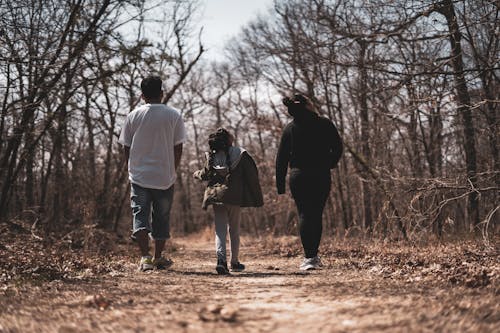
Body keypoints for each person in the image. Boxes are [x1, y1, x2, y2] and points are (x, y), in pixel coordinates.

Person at [119, 76, 186, 272]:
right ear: (162, 93)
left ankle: (144, 258)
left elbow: (126, 147)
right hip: (164, 176)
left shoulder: (133, 116)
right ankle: (158, 257)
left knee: (139, 215)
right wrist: (173, 169)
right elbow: (178, 147)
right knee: (161, 217)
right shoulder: (174, 115)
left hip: (139, 176)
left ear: (142, 95)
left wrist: (129, 168)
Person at [276, 94, 342, 271]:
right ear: (307, 106)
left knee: (305, 214)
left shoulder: (290, 128)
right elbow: (338, 147)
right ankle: (313, 257)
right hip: (320, 174)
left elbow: (281, 158)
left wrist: (280, 184)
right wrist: (329, 163)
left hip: (298, 176)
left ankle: (309, 258)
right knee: (316, 214)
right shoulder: (324, 123)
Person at [194, 128, 263, 275]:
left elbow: (205, 174)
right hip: (234, 197)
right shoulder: (241, 154)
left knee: (220, 231)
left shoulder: (210, 156)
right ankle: (235, 262)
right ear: (229, 140)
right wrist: (255, 196)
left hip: (216, 197)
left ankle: (221, 262)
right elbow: (252, 175)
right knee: (234, 230)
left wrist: (196, 174)